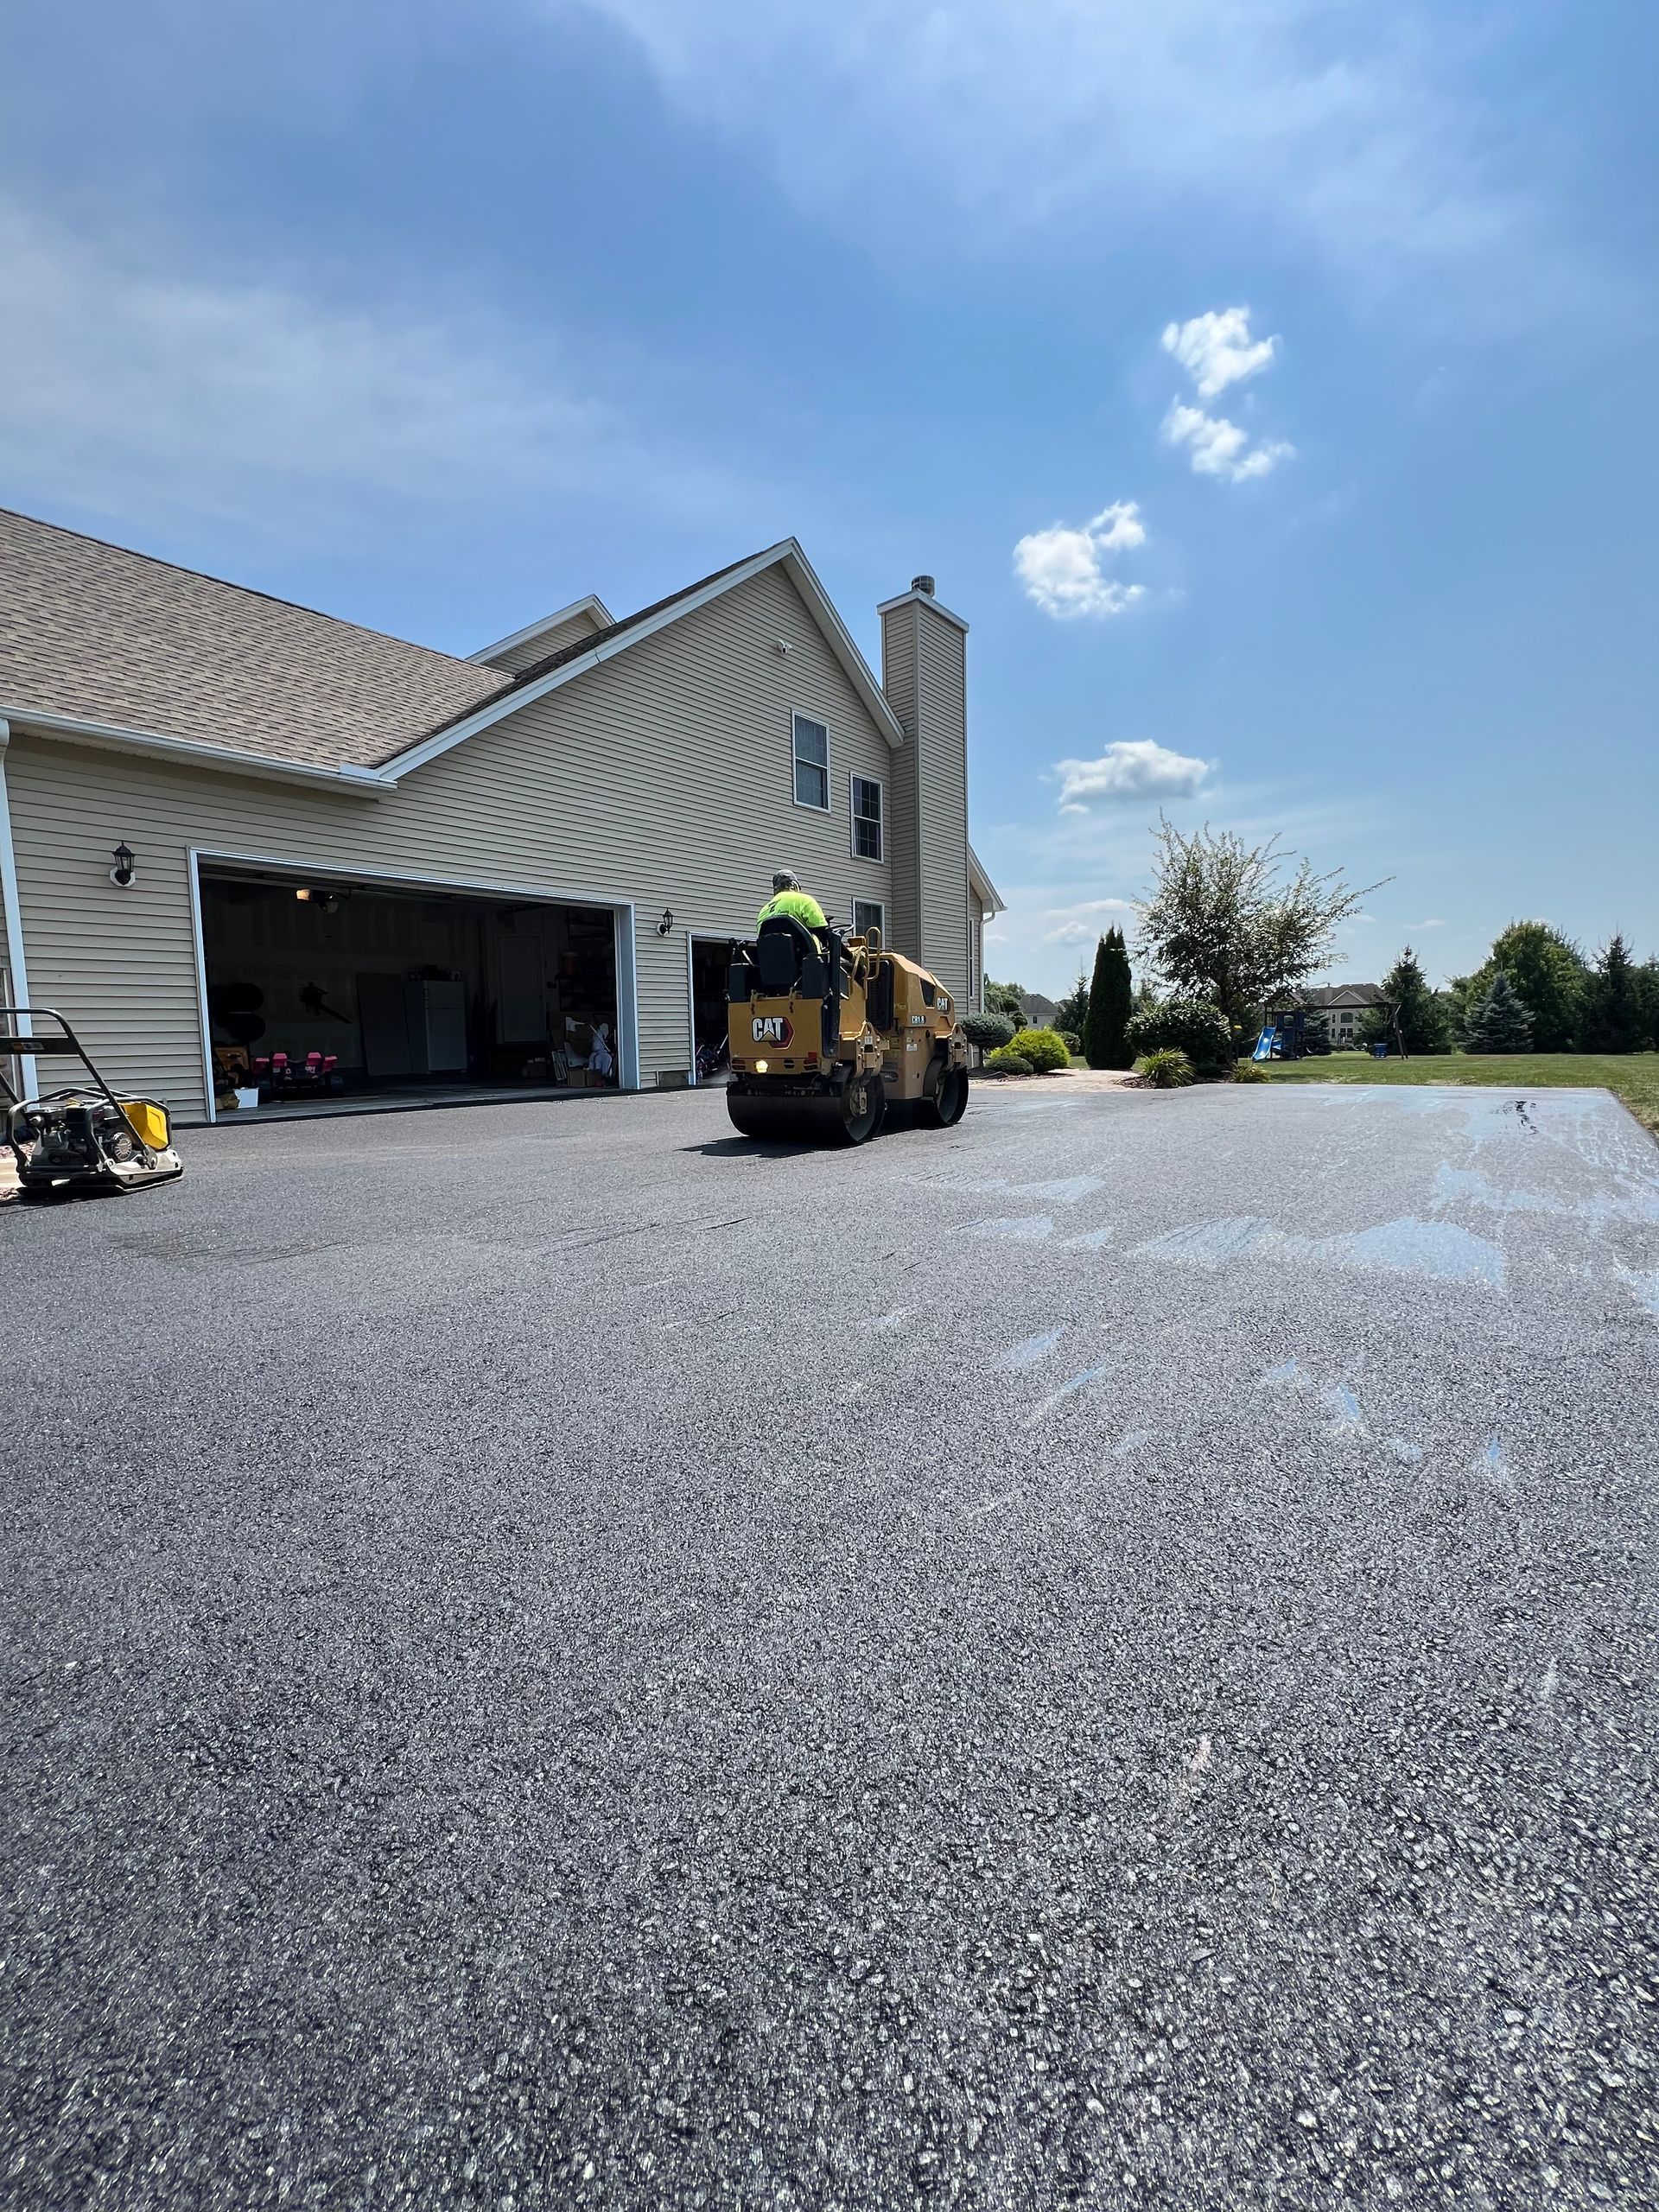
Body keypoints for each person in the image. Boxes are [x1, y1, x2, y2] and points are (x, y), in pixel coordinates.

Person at [756, 869, 826, 931]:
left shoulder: (763, 911)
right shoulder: (804, 900)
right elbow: (821, 930)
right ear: (794, 885)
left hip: (771, 946)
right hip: (802, 946)